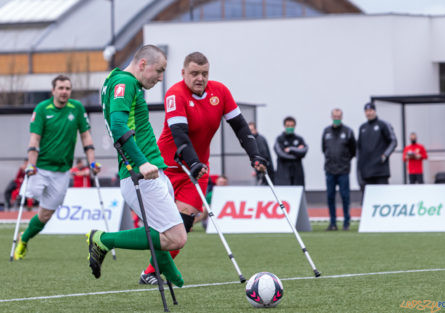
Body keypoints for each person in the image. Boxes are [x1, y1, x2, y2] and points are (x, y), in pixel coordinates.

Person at [139, 51, 267, 284]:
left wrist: (255, 155)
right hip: (166, 167)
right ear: (183, 73)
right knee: (164, 226)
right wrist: (193, 160)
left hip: (196, 170)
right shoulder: (175, 94)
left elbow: (240, 128)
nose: (200, 78)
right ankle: (110, 241)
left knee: (184, 225)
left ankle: (150, 272)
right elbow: (180, 135)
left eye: (204, 73)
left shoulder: (221, 92)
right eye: (194, 73)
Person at [91, 45, 187, 287]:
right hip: (142, 173)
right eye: (160, 70)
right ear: (143, 64)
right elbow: (118, 126)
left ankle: (171, 276)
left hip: (151, 169)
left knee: (161, 232)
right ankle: (103, 239)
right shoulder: (126, 82)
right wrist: (142, 163)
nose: (161, 77)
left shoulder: (117, 79)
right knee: (176, 237)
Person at [13, 75, 100, 260]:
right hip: (40, 169)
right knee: (29, 196)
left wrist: (92, 162)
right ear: (53, 90)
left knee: (45, 215)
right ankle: (21, 234)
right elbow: (34, 139)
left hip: (62, 171)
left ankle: (24, 238)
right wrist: (31, 164)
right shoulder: (42, 109)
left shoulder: (76, 108)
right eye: (60, 88)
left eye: (67, 88)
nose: (64, 92)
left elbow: (86, 136)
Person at [321, 108, 356, 231]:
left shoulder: (348, 131)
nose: (336, 118)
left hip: (343, 170)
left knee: (345, 197)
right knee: (330, 197)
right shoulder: (326, 131)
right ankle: (333, 223)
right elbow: (323, 149)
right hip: (330, 170)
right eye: (334, 116)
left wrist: (345, 160)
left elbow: (353, 150)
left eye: (338, 116)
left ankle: (346, 222)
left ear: (341, 117)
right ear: (331, 117)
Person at [357, 102, 397, 194]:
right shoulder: (362, 128)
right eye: (366, 111)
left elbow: (393, 141)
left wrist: (385, 155)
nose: (368, 113)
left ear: (374, 111)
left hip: (380, 171)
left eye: (370, 110)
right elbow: (359, 149)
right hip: (366, 172)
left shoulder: (383, 125)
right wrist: (359, 169)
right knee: (368, 199)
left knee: (383, 197)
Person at [274, 116, 308, 186]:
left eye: (292, 125)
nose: (290, 127)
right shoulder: (279, 139)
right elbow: (281, 154)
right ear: (284, 126)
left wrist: (290, 149)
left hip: (297, 175)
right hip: (283, 175)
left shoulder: (299, 139)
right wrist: (297, 153)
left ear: (295, 126)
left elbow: (304, 151)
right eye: (288, 125)